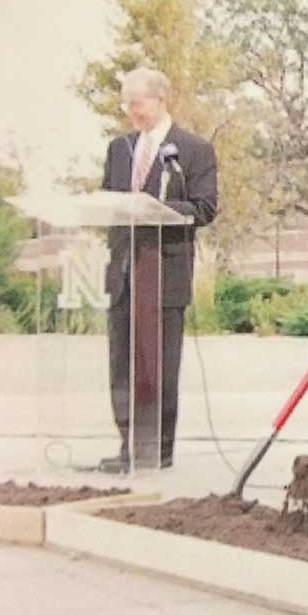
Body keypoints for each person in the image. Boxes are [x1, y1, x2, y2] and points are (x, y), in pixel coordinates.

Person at [100, 67, 218, 472]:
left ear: (160, 99)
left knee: (160, 366)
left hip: (164, 277)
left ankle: (158, 450)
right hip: (123, 275)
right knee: (121, 363)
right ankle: (126, 445)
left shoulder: (193, 149)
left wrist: (155, 208)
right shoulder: (119, 149)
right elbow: (108, 203)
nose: (131, 112)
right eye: (126, 104)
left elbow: (204, 208)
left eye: (137, 103)